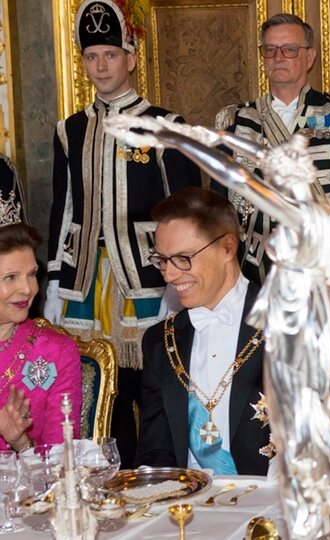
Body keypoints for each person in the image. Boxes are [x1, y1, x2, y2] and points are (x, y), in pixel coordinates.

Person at [45, 0, 201, 465]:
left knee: (153, 384)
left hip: (151, 277)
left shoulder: (165, 125)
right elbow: (64, 205)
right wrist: (56, 279)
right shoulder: (69, 129)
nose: (101, 65)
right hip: (88, 281)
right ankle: (113, 474)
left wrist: (187, 271)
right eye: (92, 56)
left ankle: (159, 473)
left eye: (110, 54)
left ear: (130, 58)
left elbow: (188, 207)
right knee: (101, 391)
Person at [215, 13, 330, 283]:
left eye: (289, 50)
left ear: (309, 58)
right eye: (270, 50)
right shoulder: (235, 121)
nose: (278, 57)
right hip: (253, 267)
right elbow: (220, 207)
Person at [135, 188, 269, 475]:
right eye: (162, 260)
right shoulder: (160, 342)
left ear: (227, 248)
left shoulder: (286, 327)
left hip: (270, 506)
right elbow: (155, 449)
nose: (170, 275)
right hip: (184, 511)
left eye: (183, 258)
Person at [0, 187, 81, 450]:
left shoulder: (55, 352)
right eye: (11, 277)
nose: (28, 289)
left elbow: (62, 464)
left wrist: (20, 441)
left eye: (32, 274)